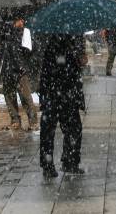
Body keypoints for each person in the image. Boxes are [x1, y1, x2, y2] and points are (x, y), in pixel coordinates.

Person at [39, 33, 86, 178]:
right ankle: (67, 161)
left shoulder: (54, 41)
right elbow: (66, 69)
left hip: (56, 93)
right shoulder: (66, 42)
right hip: (63, 93)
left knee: (54, 130)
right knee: (70, 128)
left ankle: (54, 163)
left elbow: (49, 70)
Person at [0, 16, 38, 131]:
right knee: (9, 96)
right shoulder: (6, 33)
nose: (19, 23)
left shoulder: (25, 33)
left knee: (25, 96)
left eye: (21, 20)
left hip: (20, 69)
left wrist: (23, 64)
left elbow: (30, 50)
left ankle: (33, 122)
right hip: (8, 69)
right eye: (17, 20)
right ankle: (15, 120)